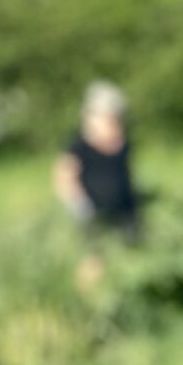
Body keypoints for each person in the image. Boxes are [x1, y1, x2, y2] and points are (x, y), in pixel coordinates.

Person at [53, 80, 142, 289]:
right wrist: (79, 205)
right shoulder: (79, 145)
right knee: (94, 259)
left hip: (125, 213)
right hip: (93, 214)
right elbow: (63, 176)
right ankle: (87, 298)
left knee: (129, 256)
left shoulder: (123, 144)